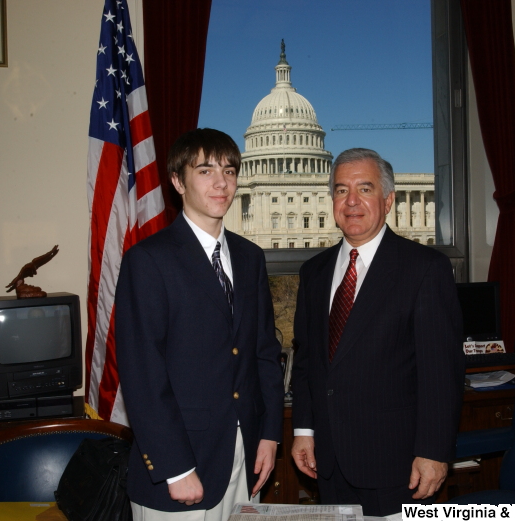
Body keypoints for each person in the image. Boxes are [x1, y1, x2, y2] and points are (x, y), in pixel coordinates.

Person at [116, 128, 283, 521]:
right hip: (181, 468)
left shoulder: (250, 257)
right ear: (178, 181)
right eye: (205, 170)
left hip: (246, 459)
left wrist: (270, 433)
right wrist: (174, 466)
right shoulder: (149, 261)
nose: (221, 182)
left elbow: (263, 353)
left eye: (229, 170)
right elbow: (143, 372)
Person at [290, 148, 465, 516]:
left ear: (388, 200)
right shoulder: (314, 273)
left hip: (398, 466)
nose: (351, 201)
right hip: (330, 463)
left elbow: (441, 374)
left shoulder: (424, 269)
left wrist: (434, 452)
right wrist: (304, 430)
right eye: (341, 190)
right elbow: (307, 362)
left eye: (364, 189)